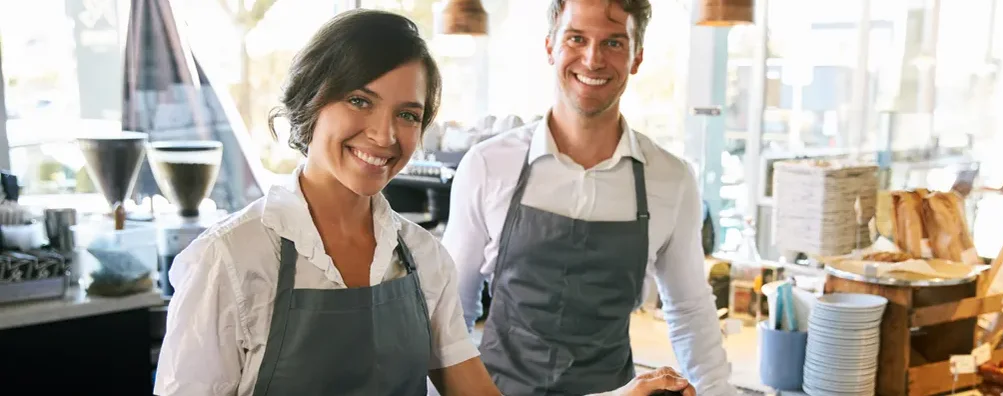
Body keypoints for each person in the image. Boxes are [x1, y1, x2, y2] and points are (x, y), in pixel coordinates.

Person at [153, 9, 692, 396]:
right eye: (360, 100)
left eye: (408, 115)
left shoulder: (420, 259)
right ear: (311, 101)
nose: (384, 135)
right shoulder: (230, 262)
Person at [442, 0, 734, 395]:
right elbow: (452, 312)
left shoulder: (671, 179)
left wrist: (717, 391)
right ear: (550, 47)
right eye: (576, 38)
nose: (593, 59)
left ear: (637, 57)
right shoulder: (487, 165)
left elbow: (691, 311)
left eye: (614, 43)